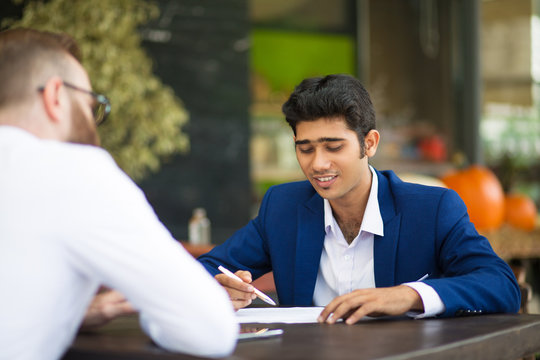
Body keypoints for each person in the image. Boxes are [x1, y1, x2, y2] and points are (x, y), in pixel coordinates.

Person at [198, 74, 521, 324]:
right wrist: (220, 287)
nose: (318, 163)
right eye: (305, 148)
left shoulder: (433, 209)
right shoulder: (283, 206)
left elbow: (500, 284)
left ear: (370, 143)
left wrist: (408, 295)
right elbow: (207, 268)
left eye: (333, 147)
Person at [0, 28, 237, 360]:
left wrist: (69, 314)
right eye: (90, 104)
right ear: (55, 96)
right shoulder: (69, 170)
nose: (94, 123)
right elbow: (210, 330)